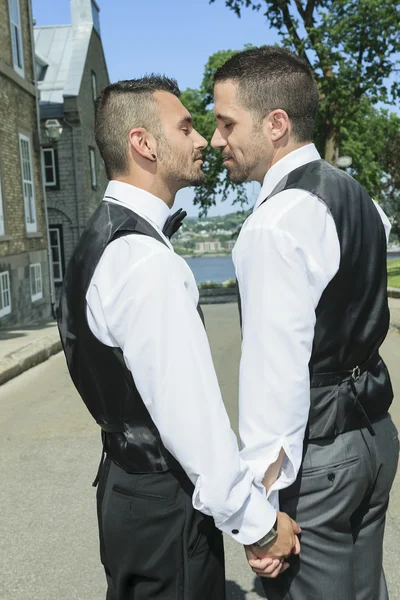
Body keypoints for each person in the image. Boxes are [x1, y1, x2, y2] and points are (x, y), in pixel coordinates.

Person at [57, 75, 300, 600]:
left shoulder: (99, 239)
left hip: (125, 489)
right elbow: (193, 423)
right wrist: (258, 524)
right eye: (186, 126)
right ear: (143, 143)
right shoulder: (145, 260)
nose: (203, 140)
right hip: (163, 504)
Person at [211, 46, 399, 599]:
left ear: (276, 124)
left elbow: (276, 376)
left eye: (227, 123)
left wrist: (262, 516)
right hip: (373, 435)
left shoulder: (275, 225)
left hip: (319, 456)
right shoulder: (358, 195)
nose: (217, 139)